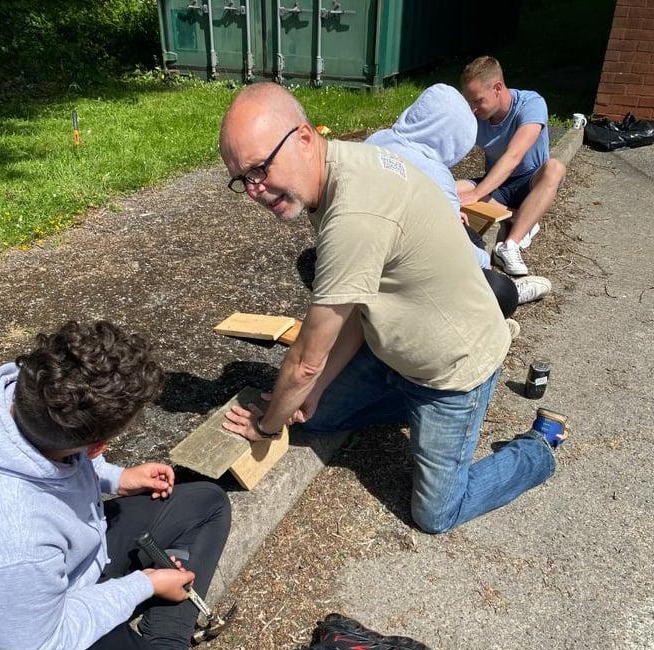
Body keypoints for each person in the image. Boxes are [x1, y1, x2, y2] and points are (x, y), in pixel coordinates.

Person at [0, 320, 448, 650]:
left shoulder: (16, 393)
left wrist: (114, 477)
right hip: (24, 630)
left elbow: (53, 456)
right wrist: (141, 586)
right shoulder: (15, 535)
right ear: (98, 441)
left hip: (61, 561)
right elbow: (35, 645)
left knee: (204, 502)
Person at [218, 83, 567, 536]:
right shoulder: (338, 166)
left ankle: (539, 448)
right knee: (313, 413)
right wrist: (311, 392)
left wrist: (266, 428)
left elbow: (304, 361)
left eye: (259, 169)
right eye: (241, 178)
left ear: (304, 137)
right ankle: (406, 405)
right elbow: (355, 306)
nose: (253, 189)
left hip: (453, 371)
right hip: (398, 351)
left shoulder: (352, 214)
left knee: (436, 513)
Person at [366, 83, 551, 311]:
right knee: (498, 290)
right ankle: (509, 292)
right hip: (403, 264)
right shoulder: (435, 175)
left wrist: (453, 208)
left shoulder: (376, 141)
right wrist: (482, 260)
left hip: (363, 249)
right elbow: (453, 249)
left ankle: (518, 228)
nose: (474, 109)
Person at [456, 56, 566, 277]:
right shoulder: (476, 117)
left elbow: (514, 156)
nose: (473, 109)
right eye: (469, 102)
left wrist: (477, 194)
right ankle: (523, 218)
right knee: (447, 186)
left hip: (529, 182)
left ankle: (510, 245)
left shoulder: (530, 103)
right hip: (498, 185)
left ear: (497, 88)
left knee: (555, 168)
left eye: (477, 101)